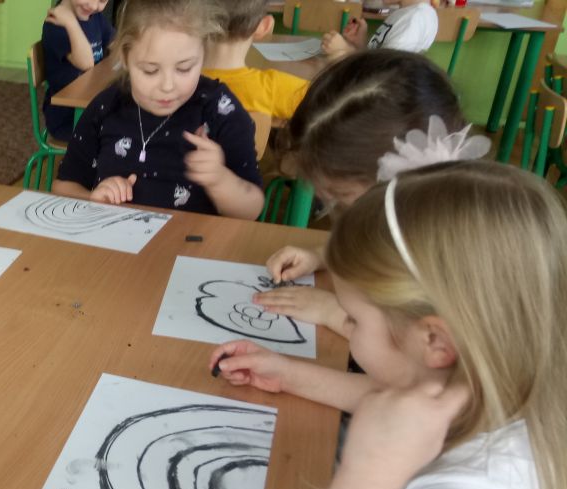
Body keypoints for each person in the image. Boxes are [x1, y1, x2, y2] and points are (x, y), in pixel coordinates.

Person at [210, 161, 565, 489]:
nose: (347, 330)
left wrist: (368, 474)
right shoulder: (487, 391)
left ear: (434, 341)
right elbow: (393, 407)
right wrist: (290, 375)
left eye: (354, 320)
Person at [254, 50, 487, 338]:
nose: (327, 201)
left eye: (339, 195)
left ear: (396, 184)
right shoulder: (404, 213)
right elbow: (371, 241)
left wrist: (333, 313)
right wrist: (320, 256)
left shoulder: (445, 253)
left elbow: (409, 346)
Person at [52, 0, 264, 219]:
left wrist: (220, 180)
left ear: (203, 53)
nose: (167, 86)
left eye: (184, 68)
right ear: (125, 57)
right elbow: (62, 187)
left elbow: (252, 209)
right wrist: (93, 199)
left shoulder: (220, 109)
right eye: (150, 70)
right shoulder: (107, 107)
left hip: (191, 240)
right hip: (115, 236)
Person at [43, 0, 115, 142]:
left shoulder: (96, 17)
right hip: (68, 118)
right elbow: (86, 63)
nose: (94, 6)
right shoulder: (56, 25)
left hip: (92, 107)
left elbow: (117, 44)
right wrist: (71, 23)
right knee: (123, 132)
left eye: (102, 0)